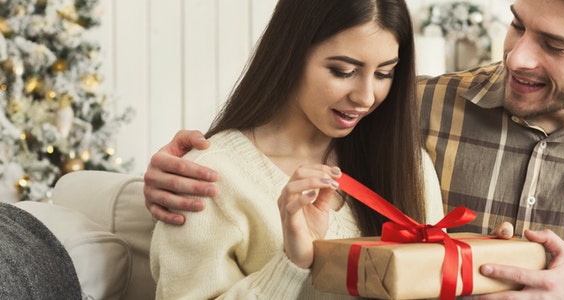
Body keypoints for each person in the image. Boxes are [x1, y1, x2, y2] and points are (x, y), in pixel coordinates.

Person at [145, 0, 564, 298]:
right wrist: (167, 174)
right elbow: (256, 159)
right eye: (517, 25)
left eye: (551, 44)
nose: (518, 56)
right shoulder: (407, 112)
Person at [147, 0, 447, 298]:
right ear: (290, 54)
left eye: (384, 74)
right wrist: (292, 265)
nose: (366, 97)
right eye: (343, 71)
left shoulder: (409, 166)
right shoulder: (210, 177)